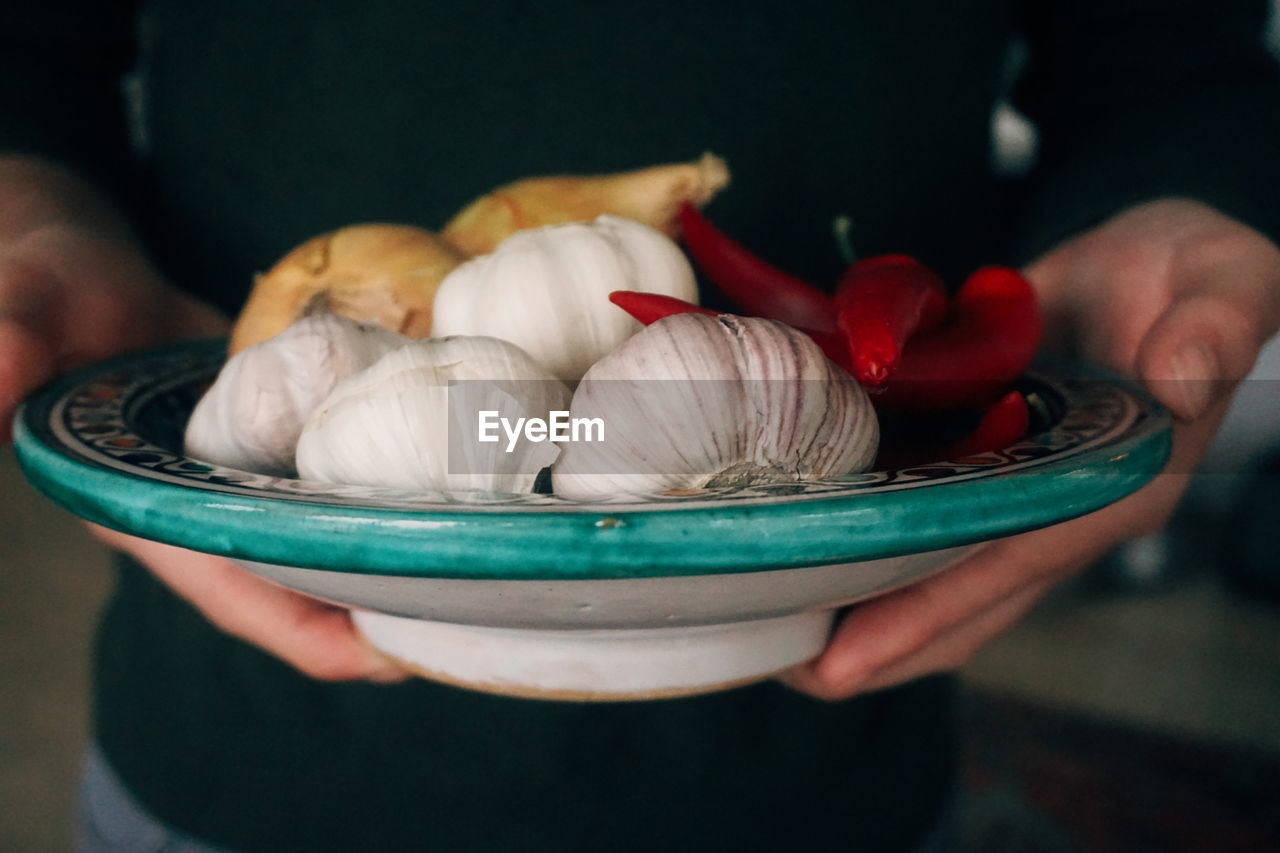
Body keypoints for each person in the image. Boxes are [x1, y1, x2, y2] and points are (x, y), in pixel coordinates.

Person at [4, 1, 1280, 850]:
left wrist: (1167, 190)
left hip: (837, 774)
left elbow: (1168, 59)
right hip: (237, 764)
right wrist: (30, 205)